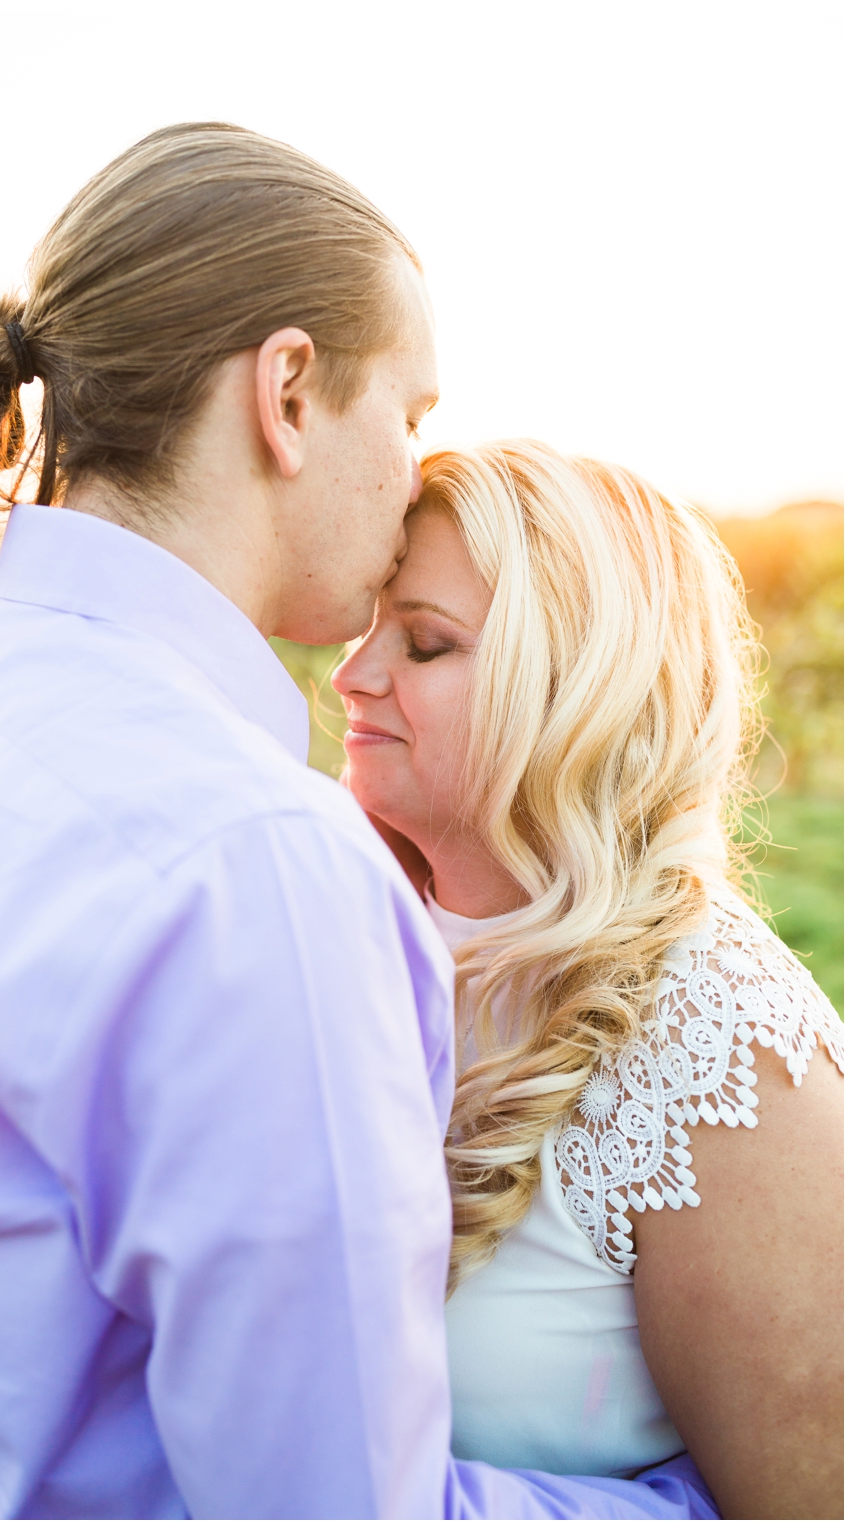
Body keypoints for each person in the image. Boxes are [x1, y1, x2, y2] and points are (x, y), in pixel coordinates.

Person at [0, 123, 717, 1516]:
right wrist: (685, 1503)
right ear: (290, 393)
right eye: (410, 413)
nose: (417, 464)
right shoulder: (262, 862)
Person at [332, 441, 842, 1517]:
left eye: (422, 642)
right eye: (366, 626)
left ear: (579, 687)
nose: (351, 675)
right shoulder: (327, 921)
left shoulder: (718, 1041)